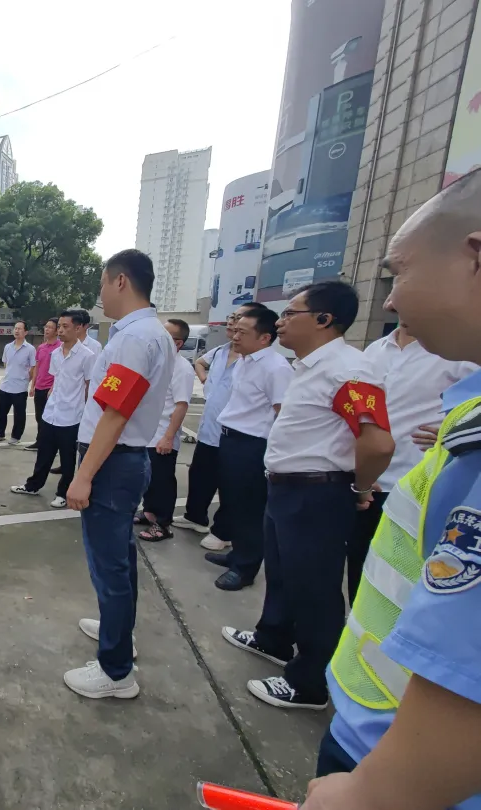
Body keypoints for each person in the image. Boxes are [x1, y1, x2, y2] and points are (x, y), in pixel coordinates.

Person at [299, 168, 481, 810]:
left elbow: (468, 672)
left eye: (399, 272)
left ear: (476, 258)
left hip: (398, 769)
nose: (390, 300)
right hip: (379, 723)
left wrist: (372, 794)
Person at [222, 281, 394, 711]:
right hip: (286, 488)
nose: (279, 322)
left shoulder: (348, 370)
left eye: (290, 314)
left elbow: (377, 443)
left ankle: (311, 681)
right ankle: (273, 638)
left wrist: (359, 486)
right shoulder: (308, 366)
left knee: (314, 587)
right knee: (281, 573)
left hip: (316, 494)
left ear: (323, 319)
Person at [64, 249, 173, 700]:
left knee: (109, 566)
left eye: (103, 284)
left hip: (112, 461)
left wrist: (83, 476)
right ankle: (119, 633)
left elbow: (114, 413)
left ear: (121, 281)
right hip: (125, 459)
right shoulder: (149, 334)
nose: (100, 295)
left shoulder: (135, 339)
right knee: (121, 561)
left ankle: (115, 673)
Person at [347, 313, 476, 604]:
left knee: (405, 572)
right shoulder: (375, 350)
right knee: (361, 562)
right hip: (369, 479)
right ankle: (359, 628)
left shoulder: (454, 352)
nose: (392, 301)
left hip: (417, 484)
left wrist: (451, 432)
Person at [202, 307, 293, 590]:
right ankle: (237, 554)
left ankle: (245, 568)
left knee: (251, 509)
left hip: (254, 445)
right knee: (233, 503)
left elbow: (283, 414)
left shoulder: (276, 368)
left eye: (243, 332)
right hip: (230, 439)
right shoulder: (244, 362)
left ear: (265, 337)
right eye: (235, 330)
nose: (235, 336)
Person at [175, 303, 268, 549]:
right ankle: (195, 516)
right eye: (232, 318)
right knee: (200, 476)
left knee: (230, 485)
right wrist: (205, 382)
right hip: (209, 430)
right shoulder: (219, 352)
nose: (232, 324)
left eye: (239, 320)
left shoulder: (257, 361)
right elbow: (199, 363)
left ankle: (223, 531)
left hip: (237, 436)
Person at [10, 311, 95, 508]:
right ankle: (33, 485)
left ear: (78, 328)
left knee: (67, 459)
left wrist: (86, 415)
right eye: (60, 326)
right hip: (52, 412)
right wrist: (50, 398)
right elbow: (55, 380)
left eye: (66, 327)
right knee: (44, 454)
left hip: (72, 416)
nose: (61, 330)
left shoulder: (87, 356)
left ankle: (63, 492)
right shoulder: (55, 354)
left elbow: (90, 386)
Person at [135, 318, 195, 542]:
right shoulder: (158, 363)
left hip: (162, 435)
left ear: (177, 343)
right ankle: (149, 512)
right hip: (147, 432)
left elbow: (181, 405)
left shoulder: (182, 369)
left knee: (162, 481)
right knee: (149, 479)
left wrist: (169, 437)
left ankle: (163, 523)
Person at [0, 320, 36, 445]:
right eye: (15, 328)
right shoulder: (7, 347)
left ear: (26, 332)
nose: (16, 330)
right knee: (1, 411)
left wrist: (27, 380)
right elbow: (6, 363)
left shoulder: (30, 349)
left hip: (20, 387)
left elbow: (33, 367)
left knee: (19, 414)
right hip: (5, 385)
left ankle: (16, 436)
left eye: (20, 329)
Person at [27, 317, 60, 451]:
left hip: (50, 389)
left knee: (50, 418)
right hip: (39, 387)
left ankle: (50, 444)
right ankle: (39, 441)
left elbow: (59, 371)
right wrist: (33, 385)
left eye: (50, 327)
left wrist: (53, 388)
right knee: (39, 416)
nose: (46, 329)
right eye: (46, 326)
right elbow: (37, 368)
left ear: (57, 331)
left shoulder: (60, 348)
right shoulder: (41, 347)